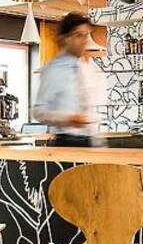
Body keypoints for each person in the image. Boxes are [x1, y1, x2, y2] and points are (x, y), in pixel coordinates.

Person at [33, 12, 105, 147]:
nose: (84, 41)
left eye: (86, 35)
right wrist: (68, 119)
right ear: (65, 38)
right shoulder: (54, 70)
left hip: (90, 141)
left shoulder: (84, 68)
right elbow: (38, 111)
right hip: (65, 142)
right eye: (78, 35)